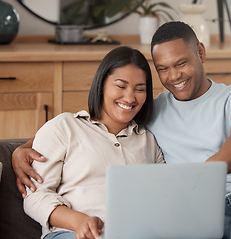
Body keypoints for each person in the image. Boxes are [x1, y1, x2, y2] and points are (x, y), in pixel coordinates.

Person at [13, 22, 231, 239]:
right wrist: (22, 148)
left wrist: (200, 177)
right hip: (197, 215)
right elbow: (92, 123)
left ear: (200, 51)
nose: (173, 76)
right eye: (163, 69)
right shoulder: (151, 111)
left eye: (182, 63)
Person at [21, 46, 164, 239]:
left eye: (139, 89)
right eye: (121, 86)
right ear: (102, 84)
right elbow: (35, 196)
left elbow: (163, 197)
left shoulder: (148, 140)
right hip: (70, 234)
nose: (130, 98)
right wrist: (79, 221)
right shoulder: (65, 126)